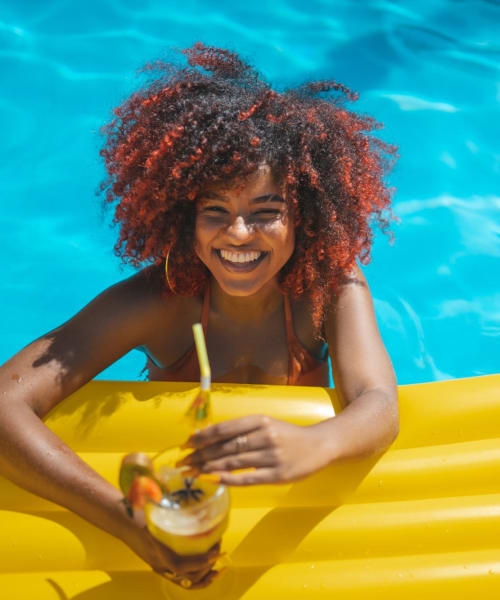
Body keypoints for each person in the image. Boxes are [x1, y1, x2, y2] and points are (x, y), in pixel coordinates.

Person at [0, 43, 399, 587]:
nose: (238, 234)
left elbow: (379, 403)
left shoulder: (329, 287)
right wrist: (126, 520)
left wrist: (316, 443)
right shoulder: (158, 301)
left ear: (303, 218)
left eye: (266, 213)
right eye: (215, 211)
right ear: (184, 217)